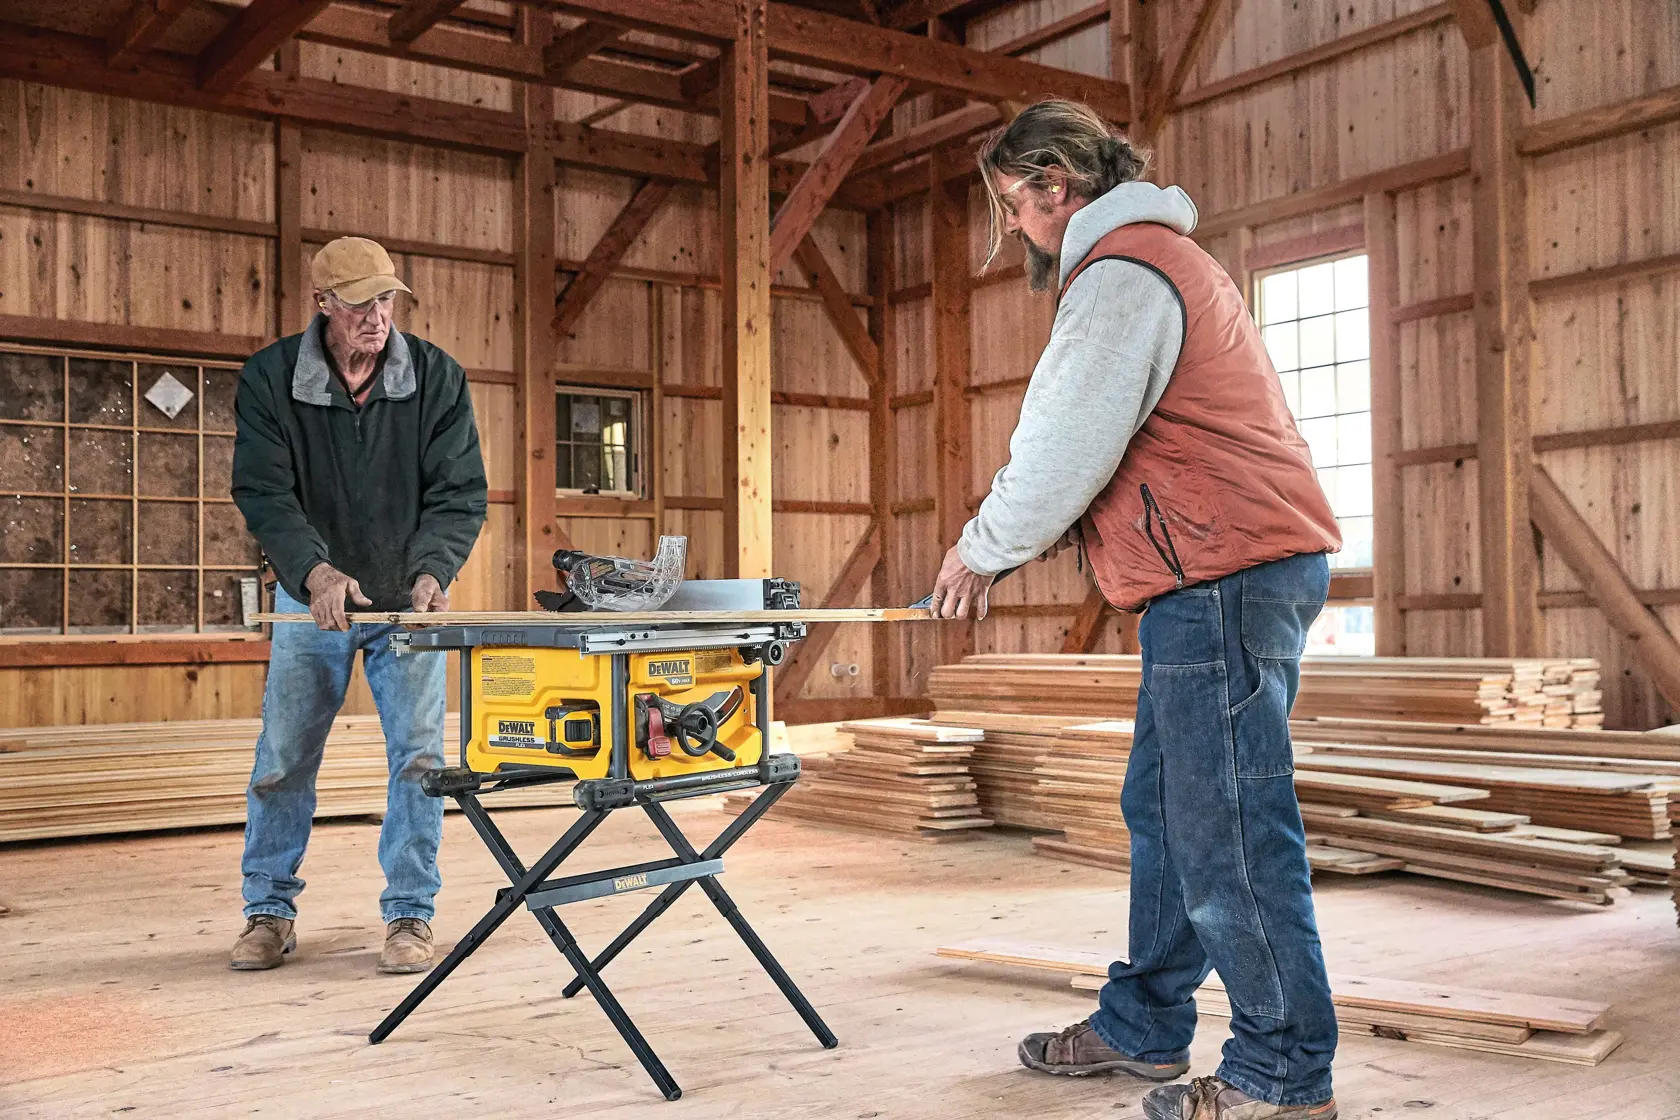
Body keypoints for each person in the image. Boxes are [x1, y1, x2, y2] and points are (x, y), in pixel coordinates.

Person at [924, 101, 1343, 1120]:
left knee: (1230, 831)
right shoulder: (1146, 261)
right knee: (1166, 811)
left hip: (1223, 579)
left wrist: (982, 550)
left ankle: (1283, 1075)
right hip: (1212, 576)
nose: (1014, 230)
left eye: (1013, 209)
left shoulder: (1121, 274)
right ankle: (1146, 1021)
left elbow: (1067, 441)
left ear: (1054, 186)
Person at [228, 237, 487, 975]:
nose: (376, 317)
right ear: (322, 305)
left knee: (419, 759)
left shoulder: (436, 378)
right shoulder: (272, 378)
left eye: (386, 300)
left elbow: (459, 494)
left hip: (408, 602)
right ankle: (268, 912)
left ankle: (410, 915)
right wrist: (313, 572)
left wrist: (434, 571)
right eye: (359, 303)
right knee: (283, 758)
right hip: (313, 601)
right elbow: (265, 492)